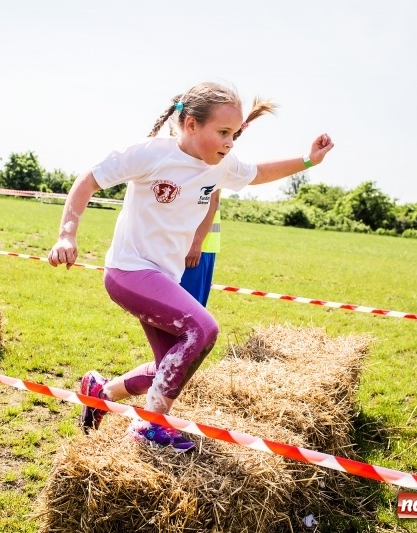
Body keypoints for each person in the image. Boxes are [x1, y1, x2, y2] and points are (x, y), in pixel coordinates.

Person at [48, 81, 334, 452]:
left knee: (168, 367)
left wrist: (310, 160)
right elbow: (87, 180)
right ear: (191, 125)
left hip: (163, 278)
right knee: (203, 328)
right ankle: (149, 427)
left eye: (235, 134)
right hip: (129, 271)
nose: (230, 142)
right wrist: (67, 235)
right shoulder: (151, 154)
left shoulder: (222, 166)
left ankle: (100, 391)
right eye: (223, 132)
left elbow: (259, 173)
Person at [180, 189, 220, 308]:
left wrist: (196, 242)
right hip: (178, 244)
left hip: (195, 247)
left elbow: (213, 198)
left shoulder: (210, 170)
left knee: (186, 310)